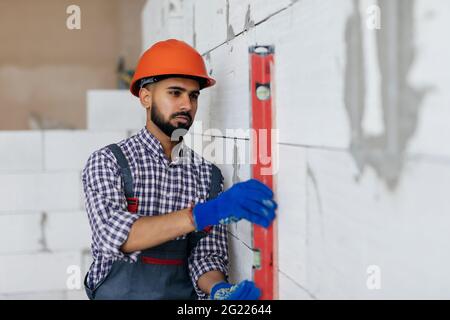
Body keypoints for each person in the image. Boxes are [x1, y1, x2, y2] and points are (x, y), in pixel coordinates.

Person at [82, 39, 277, 300]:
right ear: (146, 97)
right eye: (175, 93)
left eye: (193, 95)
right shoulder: (108, 162)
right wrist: (204, 213)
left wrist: (219, 290)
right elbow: (114, 236)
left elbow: (205, 256)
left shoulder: (207, 176)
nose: (187, 105)